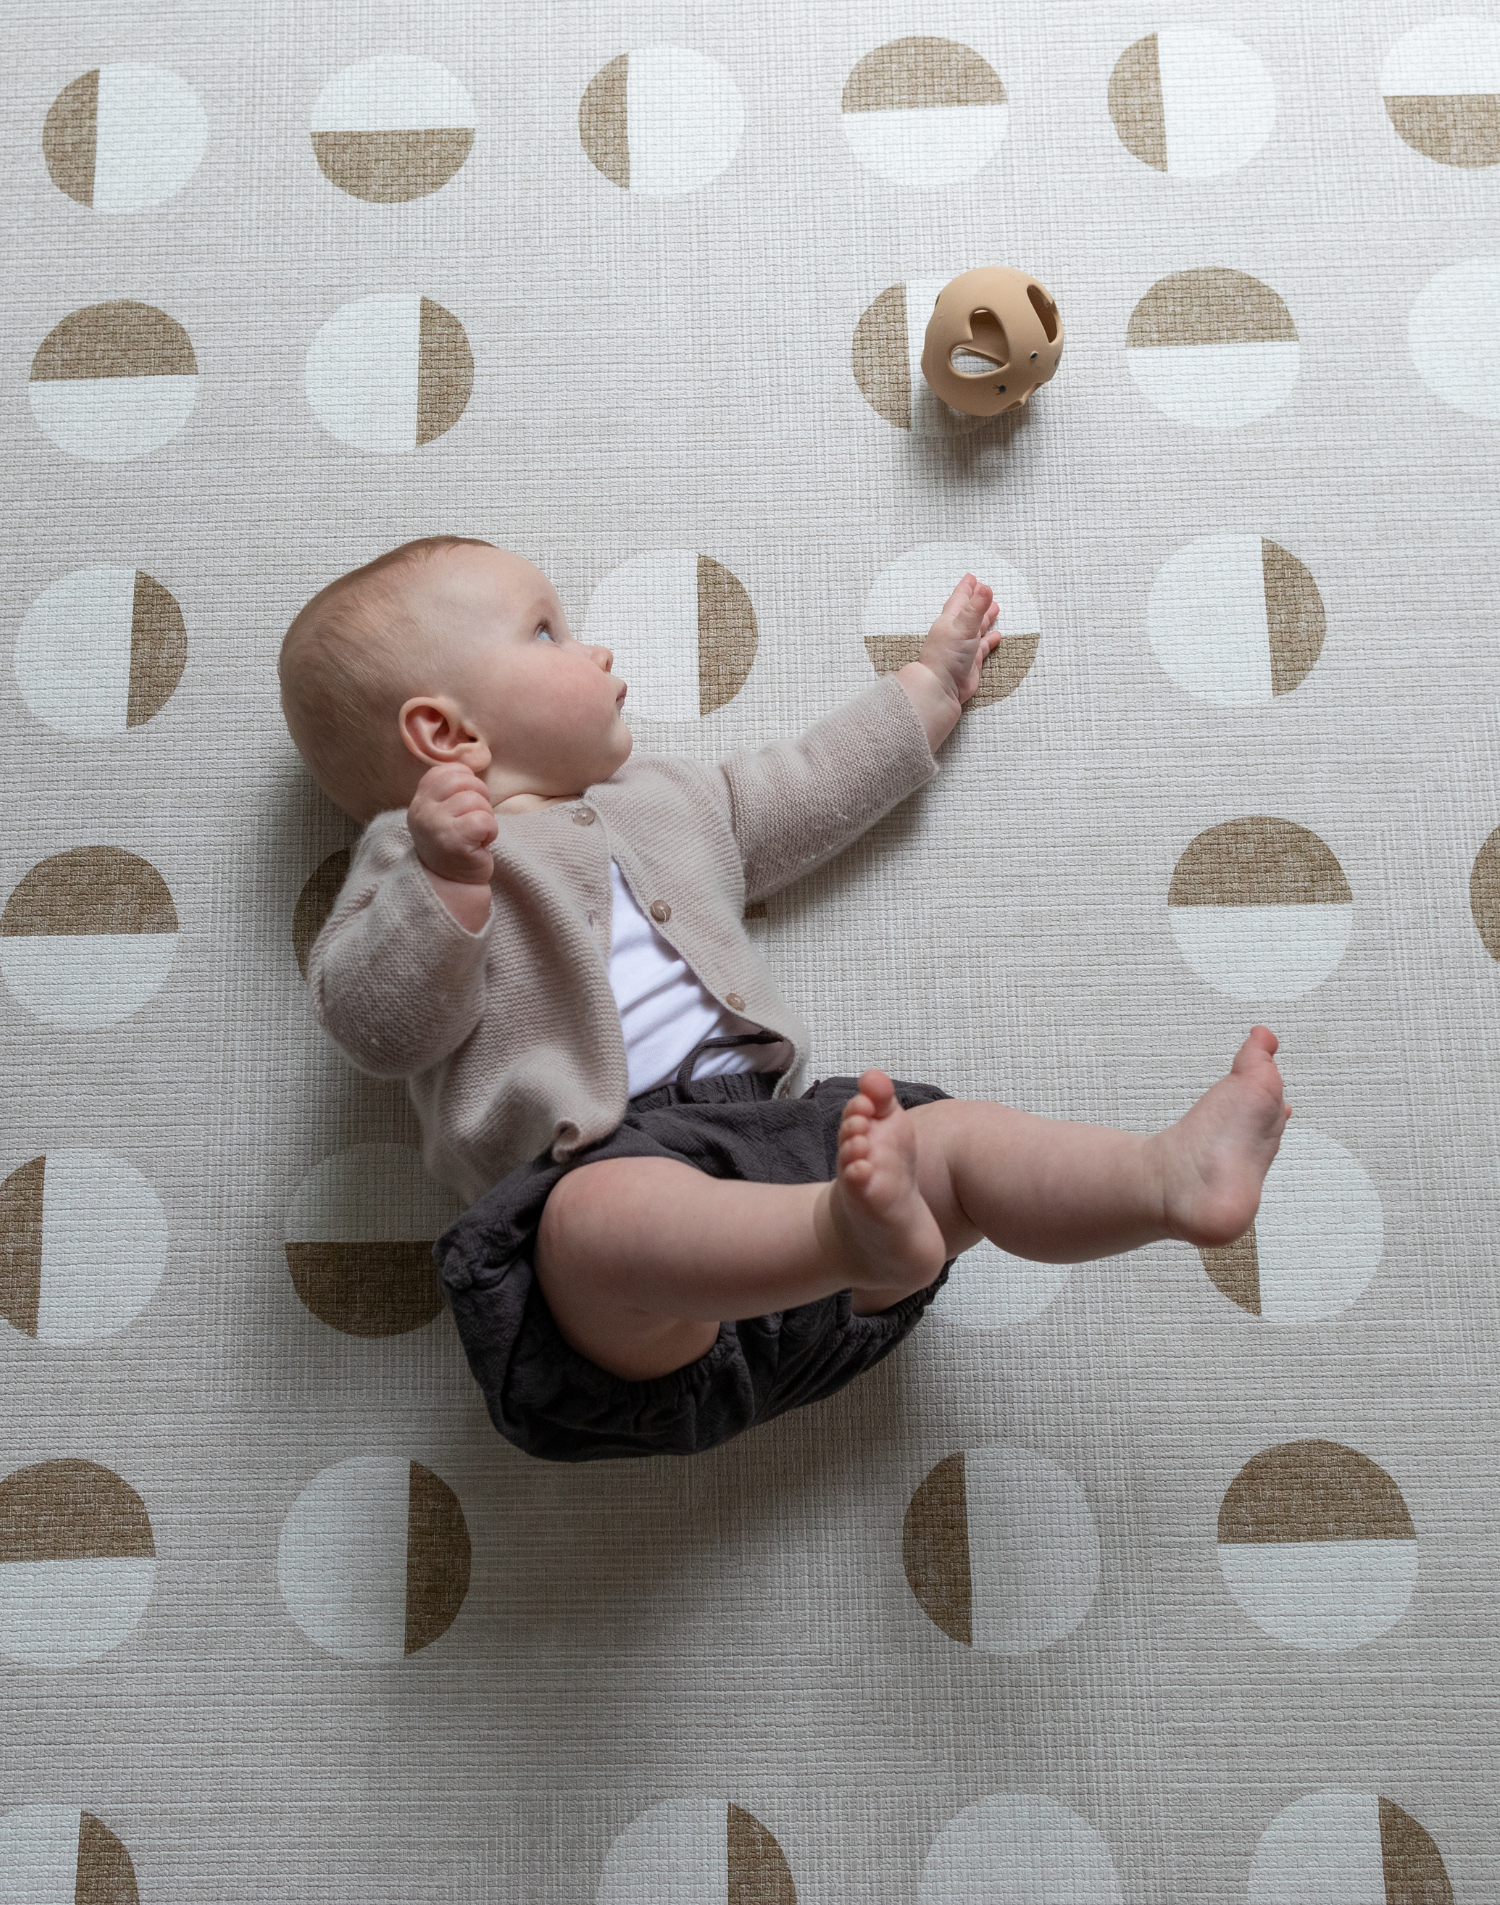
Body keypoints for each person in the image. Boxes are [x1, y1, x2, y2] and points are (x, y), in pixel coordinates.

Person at [280, 536, 1290, 1462]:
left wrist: (928, 687)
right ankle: (841, 1237)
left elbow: (805, 787)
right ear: (443, 731)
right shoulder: (404, 869)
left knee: (949, 1140)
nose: (596, 651)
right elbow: (378, 1028)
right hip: (614, 1269)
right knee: (598, 1222)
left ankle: (1161, 1181)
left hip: (784, 1170)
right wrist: (446, 885)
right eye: (548, 631)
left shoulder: (672, 801)